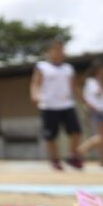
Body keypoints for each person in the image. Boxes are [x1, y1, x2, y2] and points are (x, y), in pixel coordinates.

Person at [30, 40, 83, 171]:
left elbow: (74, 86)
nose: (59, 52)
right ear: (48, 52)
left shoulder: (68, 68)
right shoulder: (42, 66)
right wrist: (35, 94)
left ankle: (72, 156)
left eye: (61, 49)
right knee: (51, 135)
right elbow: (35, 83)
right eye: (55, 49)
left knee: (75, 131)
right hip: (48, 105)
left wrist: (83, 99)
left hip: (66, 104)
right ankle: (54, 159)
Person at [77, 59, 103, 167]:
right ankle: (81, 150)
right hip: (97, 110)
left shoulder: (99, 81)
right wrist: (102, 81)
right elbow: (97, 94)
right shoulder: (92, 81)